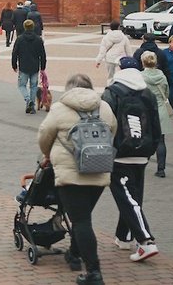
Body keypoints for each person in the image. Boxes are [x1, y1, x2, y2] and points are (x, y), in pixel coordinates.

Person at [38, 73, 117, 285]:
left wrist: (47, 155)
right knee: (83, 217)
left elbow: (44, 135)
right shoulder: (105, 107)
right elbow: (113, 131)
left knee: (81, 220)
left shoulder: (60, 108)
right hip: (99, 169)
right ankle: (74, 254)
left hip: (70, 173)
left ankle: (94, 272)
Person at [101, 59, 162, 262]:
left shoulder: (112, 92)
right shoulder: (147, 93)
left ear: (120, 70)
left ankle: (146, 241)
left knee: (127, 198)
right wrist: (152, 147)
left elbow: (104, 122)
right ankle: (124, 237)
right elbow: (155, 123)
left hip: (120, 153)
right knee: (133, 197)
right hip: (143, 152)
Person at [141, 51, 171, 177]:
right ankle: (161, 169)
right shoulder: (162, 76)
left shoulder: (140, 76)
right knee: (161, 141)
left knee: (144, 140)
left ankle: (141, 165)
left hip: (146, 110)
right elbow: (167, 92)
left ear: (143, 62)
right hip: (160, 109)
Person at [11, 19, 47, 114]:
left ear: (24, 27)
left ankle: (28, 100)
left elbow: (14, 53)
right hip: (35, 66)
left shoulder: (20, 39)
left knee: (21, 85)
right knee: (33, 86)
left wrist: (14, 65)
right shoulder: (39, 39)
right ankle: (32, 106)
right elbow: (43, 54)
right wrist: (43, 67)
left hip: (23, 65)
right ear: (33, 27)